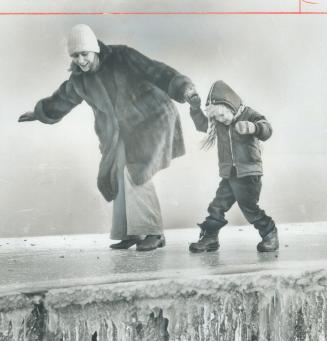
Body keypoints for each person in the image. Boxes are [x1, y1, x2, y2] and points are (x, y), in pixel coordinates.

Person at [19, 24, 199, 251]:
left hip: (150, 120)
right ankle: (131, 232)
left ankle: (154, 232)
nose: (81, 60)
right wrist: (38, 113)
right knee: (118, 172)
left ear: (94, 49)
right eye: (75, 56)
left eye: (84, 54)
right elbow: (62, 99)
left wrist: (184, 89)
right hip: (120, 132)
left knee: (136, 172)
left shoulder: (122, 56)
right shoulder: (79, 80)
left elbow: (156, 71)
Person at [188, 80, 279, 253]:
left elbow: (267, 129)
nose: (220, 120)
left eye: (222, 115)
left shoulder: (249, 114)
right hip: (229, 174)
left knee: (249, 208)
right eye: (216, 117)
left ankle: (270, 234)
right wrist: (194, 108)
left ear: (231, 106)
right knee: (217, 206)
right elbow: (202, 125)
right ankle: (210, 238)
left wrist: (253, 127)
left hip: (249, 173)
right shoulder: (219, 123)